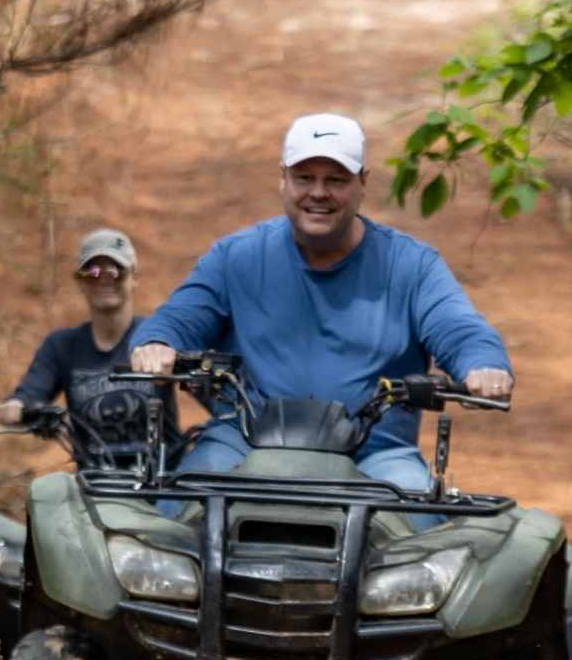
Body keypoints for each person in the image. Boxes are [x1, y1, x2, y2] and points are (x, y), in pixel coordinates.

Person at [125, 112, 511, 493]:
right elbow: (182, 315)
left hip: (375, 454)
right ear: (283, 179)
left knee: (417, 524)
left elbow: (458, 327)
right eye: (304, 178)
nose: (319, 192)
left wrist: (483, 364)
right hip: (243, 441)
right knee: (177, 514)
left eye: (336, 180)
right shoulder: (236, 257)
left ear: (363, 182)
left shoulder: (411, 266)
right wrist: (157, 342)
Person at [0, 229, 174, 459]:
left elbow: (209, 386)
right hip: (93, 483)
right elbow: (29, 395)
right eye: (94, 272)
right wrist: (16, 409)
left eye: (116, 270)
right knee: (47, 491)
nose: (105, 279)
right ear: (80, 281)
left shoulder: (157, 337)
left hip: (162, 481)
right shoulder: (62, 346)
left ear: (134, 277)